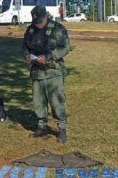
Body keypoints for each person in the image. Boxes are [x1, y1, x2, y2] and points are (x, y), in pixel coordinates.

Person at [22, 6, 70, 144]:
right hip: (37, 72)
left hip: (53, 72)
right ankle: (42, 126)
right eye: (35, 21)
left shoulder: (57, 29)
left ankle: (61, 129)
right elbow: (24, 46)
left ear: (46, 17)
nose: (37, 24)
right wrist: (26, 56)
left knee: (56, 102)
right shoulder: (30, 30)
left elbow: (65, 47)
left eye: (40, 21)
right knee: (38, 102)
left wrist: (49, 56)